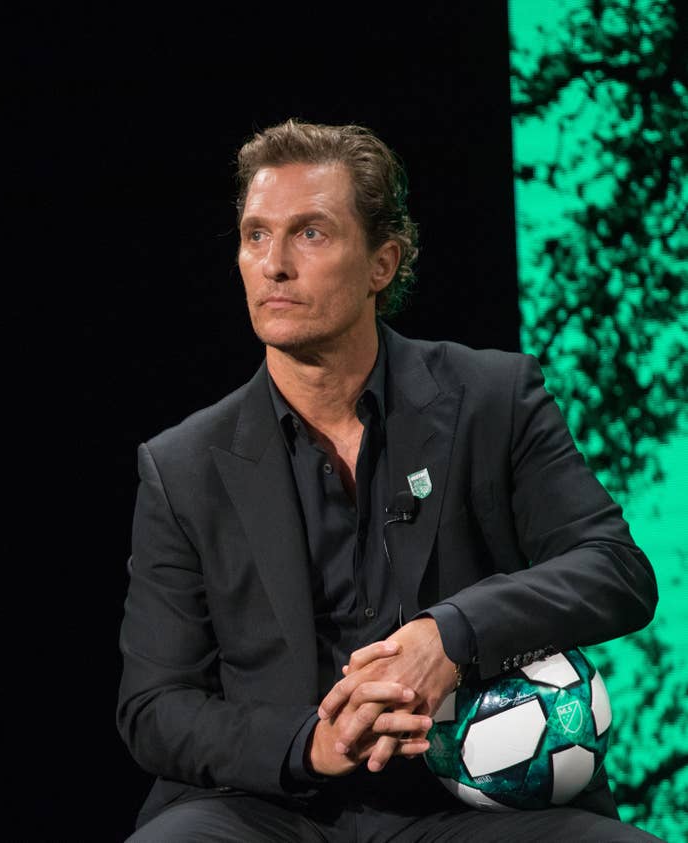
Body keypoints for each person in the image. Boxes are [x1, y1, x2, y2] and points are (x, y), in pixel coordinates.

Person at [117, 118, 661, 842]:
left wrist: (453, 631)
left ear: (383, 262)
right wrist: (310, 743)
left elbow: (616, 570)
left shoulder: (493, 397)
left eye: (310, 233)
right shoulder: (182, 465)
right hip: (271, 808)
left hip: (471, 807)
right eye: (255, 235)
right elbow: (153, 706)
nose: (274, 263)